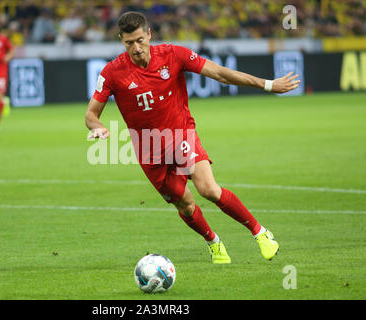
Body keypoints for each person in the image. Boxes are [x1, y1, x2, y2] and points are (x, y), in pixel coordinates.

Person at [85, 12, 300, 264]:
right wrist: (97, 127)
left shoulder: (173, 55)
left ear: (149, 34)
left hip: (181, 135)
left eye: (140, 40)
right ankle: (213, 242)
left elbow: (219, 73)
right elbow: (91, 113)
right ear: (121, 40)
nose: (136, 48)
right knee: (185, 205)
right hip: (150, 152)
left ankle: (260, 232)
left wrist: (267, 85)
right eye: (129, 43)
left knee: (209, 189)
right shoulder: (112, 72)